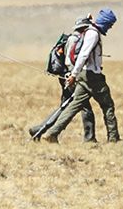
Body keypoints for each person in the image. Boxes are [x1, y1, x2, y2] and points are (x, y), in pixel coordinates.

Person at [39, 8, 117, 143]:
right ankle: (114, 139)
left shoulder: (89, 32)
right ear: (105, 22)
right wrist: (74, 74)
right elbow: (84, 54)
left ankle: (52, 133)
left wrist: (76, 74)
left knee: (74, 106)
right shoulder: (93, 34)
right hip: (92, 76)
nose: (110, 27)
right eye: (110, 24)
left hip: (84, 76)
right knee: (108, 105)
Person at [28, 15, 95, 142]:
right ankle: (89, 138)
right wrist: (74, 76)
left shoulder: (72, 38)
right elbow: (71, 61)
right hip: (70, 78)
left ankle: (38, 130)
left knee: (65, 107)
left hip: (66, 77)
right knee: (85, 107)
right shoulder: (76, 40)